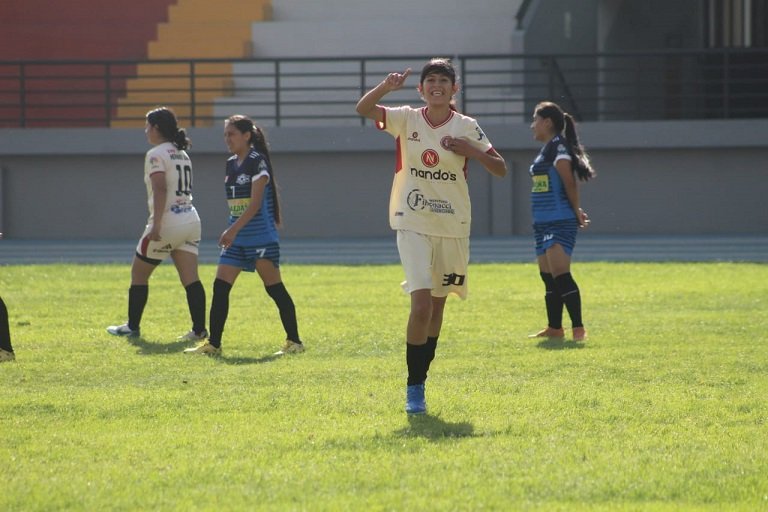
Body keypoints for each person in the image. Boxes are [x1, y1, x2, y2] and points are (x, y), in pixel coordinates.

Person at [356, 58, 507, 415]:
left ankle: (421, 379)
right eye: (430, 81)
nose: (436, 85)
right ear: (421, 89)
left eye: (444, 80)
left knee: (438, 306)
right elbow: (363, 108)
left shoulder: (467, 126)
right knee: (421, 303)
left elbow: (500, 168)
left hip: (453, 225)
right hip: (412, 219)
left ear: (455, 89)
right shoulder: (406, 117)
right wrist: (385, 87)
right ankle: (413, 388)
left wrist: (470, 150)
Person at [185, 115, 303, 356]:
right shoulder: (231, 163)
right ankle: (214, 345)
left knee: (274, 289)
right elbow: (237, 205)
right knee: (220, 287)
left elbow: (255, 204)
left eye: (231, 134)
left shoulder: (257, 162)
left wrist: (232, 230)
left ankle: (295, 342)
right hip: (237, 240)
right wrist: (233, 231)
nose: (227, 139)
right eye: (225, 135)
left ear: (246, 135)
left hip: (260, 238)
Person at [107, 107, 207, 341]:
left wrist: (157, 225)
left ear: (157, 128)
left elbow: (160, 188)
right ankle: (199, 330)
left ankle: (132, 326)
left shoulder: (156, 154)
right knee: (191, 278)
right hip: (190, 219)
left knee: (138, 274)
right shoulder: (182, 153)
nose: (145, 131)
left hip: (169, 222)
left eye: (147, 126)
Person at [527, 101, 595, 342]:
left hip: (558, 220)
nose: (532, 125)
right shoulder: (547, 148)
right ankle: (554, 328)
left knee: (560, 274)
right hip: (542, 221)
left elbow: (569, 182)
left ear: (547, 122)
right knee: (547, 275)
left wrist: (576, 210)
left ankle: (578, 329)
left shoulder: (559, 148)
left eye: (535, 120)